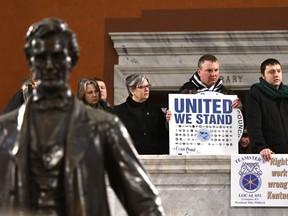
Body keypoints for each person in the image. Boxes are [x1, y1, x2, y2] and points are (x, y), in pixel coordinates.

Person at [0, 18, 165, 216]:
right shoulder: (5, 130)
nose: (50, 65)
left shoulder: (104, 127)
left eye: (58, 56)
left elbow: (144, 202)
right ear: (30, 61)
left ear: (72, 60)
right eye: (41, 57)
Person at [166, 54, 243, 120]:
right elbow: (169, 128)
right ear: (199, 72)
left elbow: (242, 124)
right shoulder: (185, 92)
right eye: (209, 70)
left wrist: (239, 111)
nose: (213, 74)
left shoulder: (228, 94)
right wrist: (169, 119)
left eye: (216, 70)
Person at [113, 74, 169, 155]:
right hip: (130, 159)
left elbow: (163, 136)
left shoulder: (155, 109)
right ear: (132, 90)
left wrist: (168, 121)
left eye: (147, 86)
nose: (146, 89)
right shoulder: (119, 112)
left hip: (154, 160)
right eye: (141, 87)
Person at [245, 58, 288, 161]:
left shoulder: (286, 94)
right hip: (269, 155)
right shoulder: (254, 95)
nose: (276, 74)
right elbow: (254, 126)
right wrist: (261, 147)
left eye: (278, 71)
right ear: (263, 75)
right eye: (271, 72)